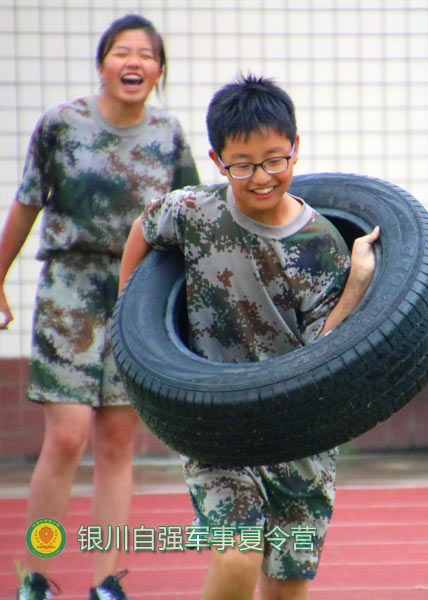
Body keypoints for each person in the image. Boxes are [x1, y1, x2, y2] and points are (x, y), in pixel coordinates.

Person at [117, 74, 379, 600]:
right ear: (218, 161)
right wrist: (131, 323)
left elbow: (322, 351)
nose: (261, 177)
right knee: (237, 557)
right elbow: (143, 230)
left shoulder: (319, 243)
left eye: (274, 160)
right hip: (218, 427)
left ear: (296, 151)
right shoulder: (194, 212)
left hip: (299, 436)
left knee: (286, 586)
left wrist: (355, 284)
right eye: (242, 165)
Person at [1, 14, 199, 600]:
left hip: (137, 295)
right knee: (65, 438)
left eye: (146, 55)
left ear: (159, 71)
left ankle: (106, 580)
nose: (133, 62)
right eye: (121, 52)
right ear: (102, 63)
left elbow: (192, 217)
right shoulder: (61, 125)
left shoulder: (168, 135)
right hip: (69, 291)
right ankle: (35, 573)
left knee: (116, 444)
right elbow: (26, 205)